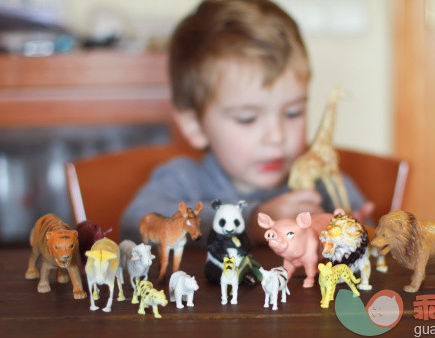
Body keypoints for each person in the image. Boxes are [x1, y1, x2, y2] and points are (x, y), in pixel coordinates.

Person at [121, 0, 371, 246]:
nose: (276, 136)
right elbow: (135, 224)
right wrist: (250, 222)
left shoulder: (324, 186)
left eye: (293, 113)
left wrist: (356, 232)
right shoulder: (183, 180)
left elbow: (368, 239)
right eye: (247, 118)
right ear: (194, 126)